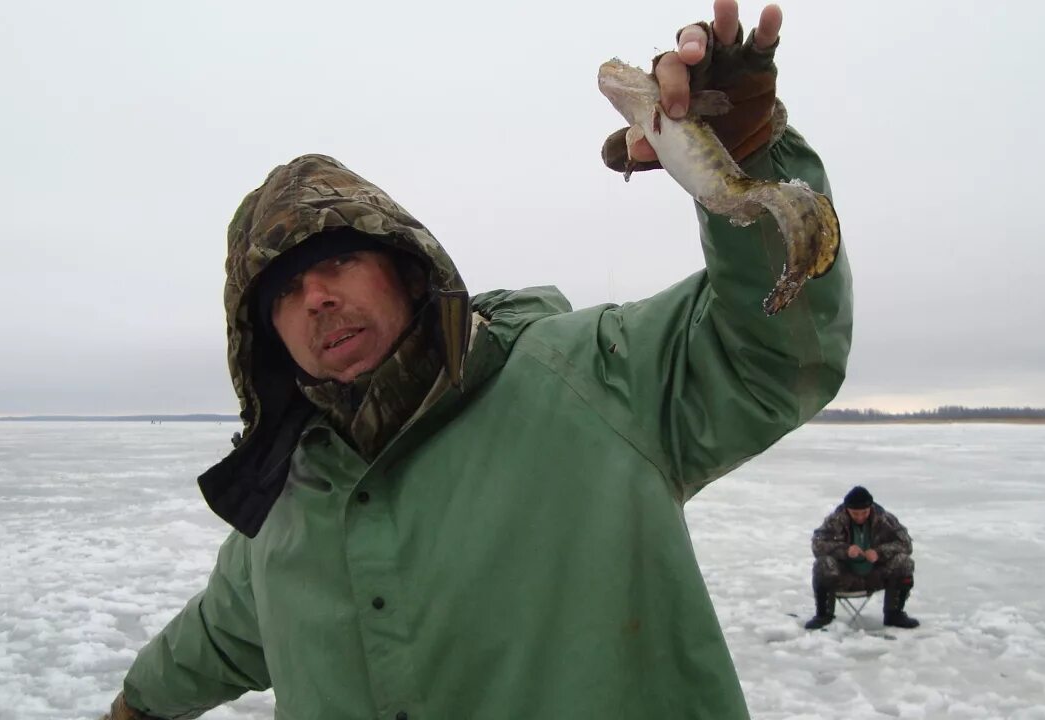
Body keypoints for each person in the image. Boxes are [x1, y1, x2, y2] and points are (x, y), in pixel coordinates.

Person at [102, 2, 852, 718]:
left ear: (404, 266)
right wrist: (135, 706)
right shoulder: (288, 498)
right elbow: (226, 630)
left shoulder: (587, 379)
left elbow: (770, 359)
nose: (317, 299)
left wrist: (745, 158)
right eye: (285, 291)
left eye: (337, 261)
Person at [803, 486, 920, 630]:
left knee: (904, 562)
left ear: (870, 507)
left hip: (876, 575)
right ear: (847, 510)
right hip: (844, 575)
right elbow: (817, 544)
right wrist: (844, 550)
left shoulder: (885, 519)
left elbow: (906, 544)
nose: (860, 517)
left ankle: (894, 614)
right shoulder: (835, 520)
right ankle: (823, 615)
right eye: (855, 513)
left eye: (864, 512)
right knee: (823, 564)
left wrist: (880, 552)